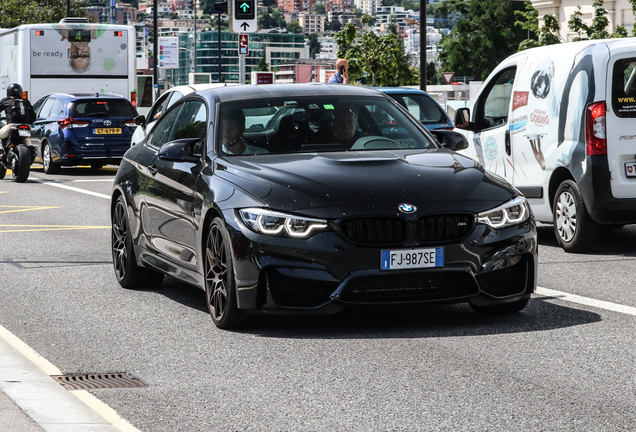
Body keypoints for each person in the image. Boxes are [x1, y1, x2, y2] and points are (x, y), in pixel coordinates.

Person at [0, 84, 36, 153]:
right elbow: (33, 117)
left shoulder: (6, 100)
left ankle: (1, 152)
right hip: (26, 126)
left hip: (11, 126)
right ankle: (31, 150)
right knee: (26, 139)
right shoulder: (26, 101)